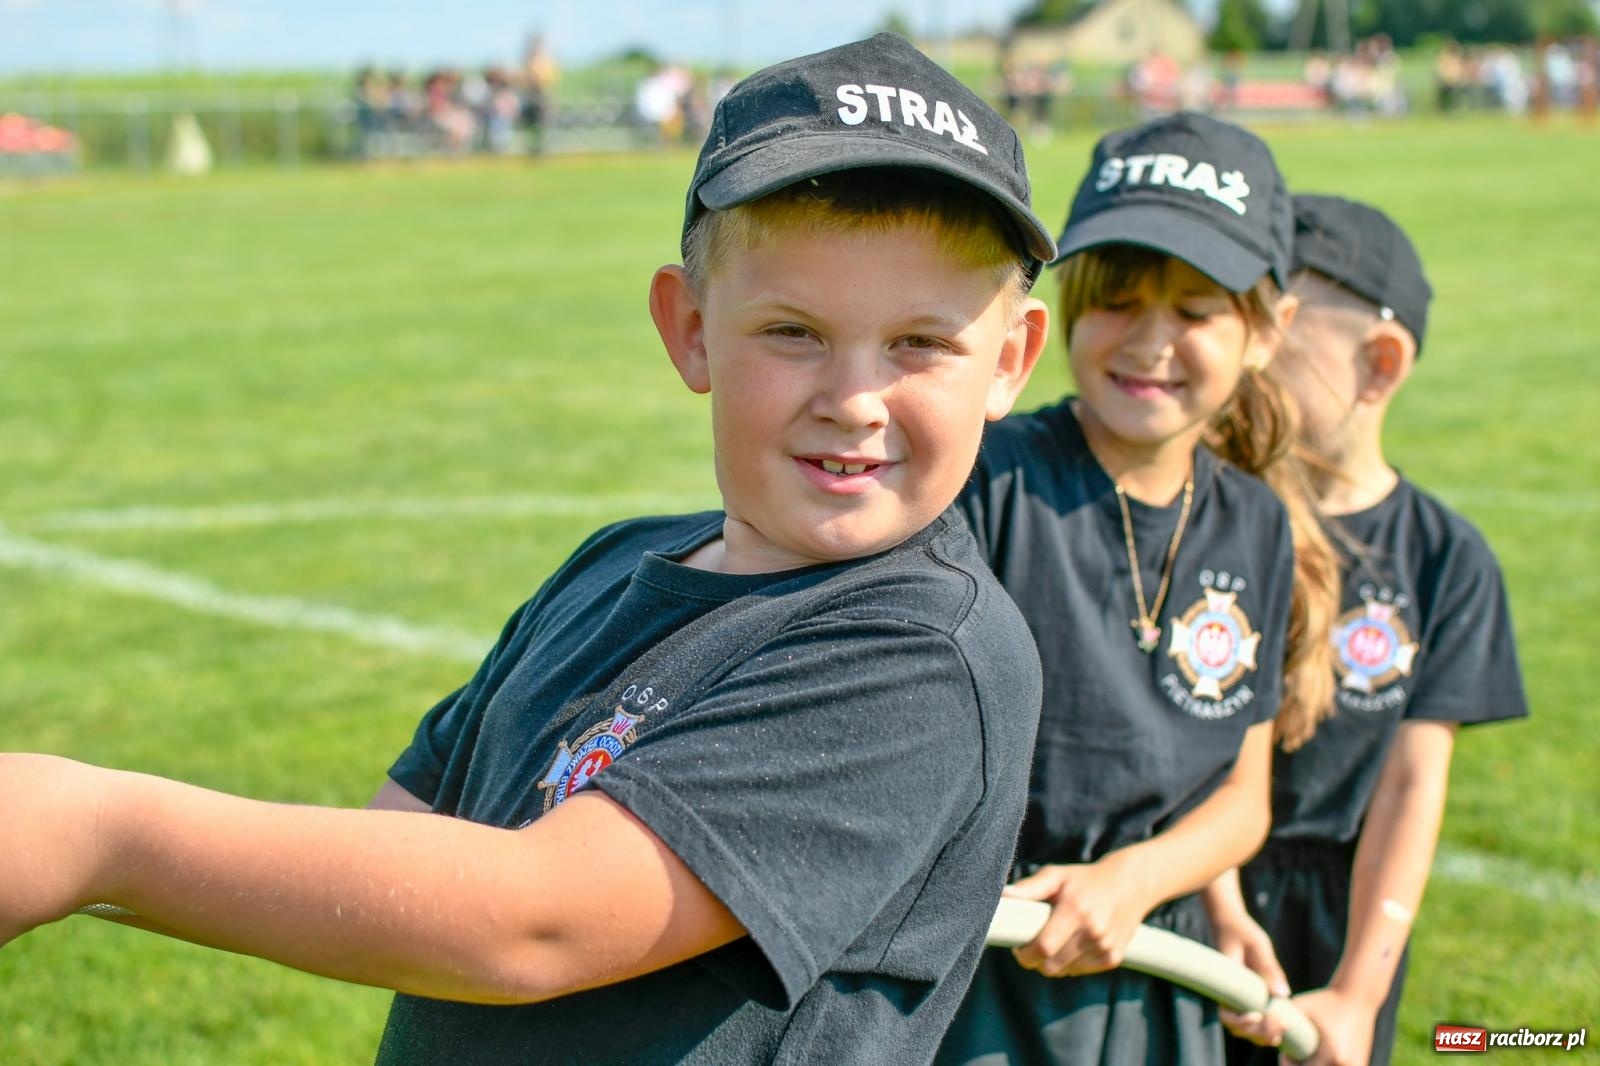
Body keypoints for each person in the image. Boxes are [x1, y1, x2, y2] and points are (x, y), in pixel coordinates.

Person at [0, 34, 1061, 1065]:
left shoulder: (924, 655)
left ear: (1010, 360)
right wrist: (57, 862)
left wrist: (101, 835)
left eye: (920, 344)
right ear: (689, 328)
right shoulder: (612, 569)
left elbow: (529, 922)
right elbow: (393, 849)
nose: (855, 400)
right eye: (794, 332)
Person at [936, 112, 1341, 1065]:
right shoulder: (991, 477)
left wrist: (1149, 881)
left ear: (1266, 331)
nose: (1150, 340)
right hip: (980, 950)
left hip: (1155, 950)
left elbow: (1243, 798)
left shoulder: (1255, 523)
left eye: (1196, 310)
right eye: (1117, 298)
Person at [1205, 195, 1530, 1066]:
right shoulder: (1204, 516)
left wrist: (1359, 991)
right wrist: (1217, 900)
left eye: (1274, 329)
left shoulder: (1446, 559)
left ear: (1378, 364)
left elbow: (1411, 788)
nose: (1244, 355)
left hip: (1343, 920)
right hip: (1192, 894)